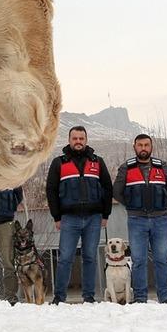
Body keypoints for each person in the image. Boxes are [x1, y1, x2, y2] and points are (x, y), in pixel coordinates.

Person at [44, 126, 113, 304]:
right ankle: (59, 297)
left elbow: (107, 188)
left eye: (81, 138)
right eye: (75, 138)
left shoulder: (97, 162)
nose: (78, 142)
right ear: (69, 140)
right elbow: (51, 191)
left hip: (94, 218)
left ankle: (88, 297)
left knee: (90, 257)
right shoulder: (59, 163)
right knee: (65, 258)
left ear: (86, 140)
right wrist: (56, 217)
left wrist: (105, 214)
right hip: (69, 219)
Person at [112, 134, 167, 303]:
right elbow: (117, 192)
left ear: (151, 147)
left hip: (161, 219)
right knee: (139, 259)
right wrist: (132, 206)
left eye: (146, 145)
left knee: (162, 259)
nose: (143, 148)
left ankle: (165, 296)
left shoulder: (161, 166)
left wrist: (160, 203)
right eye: (140, 145)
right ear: (134, 147)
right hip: (136, 220)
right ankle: (140, 297)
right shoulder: (126, 167)